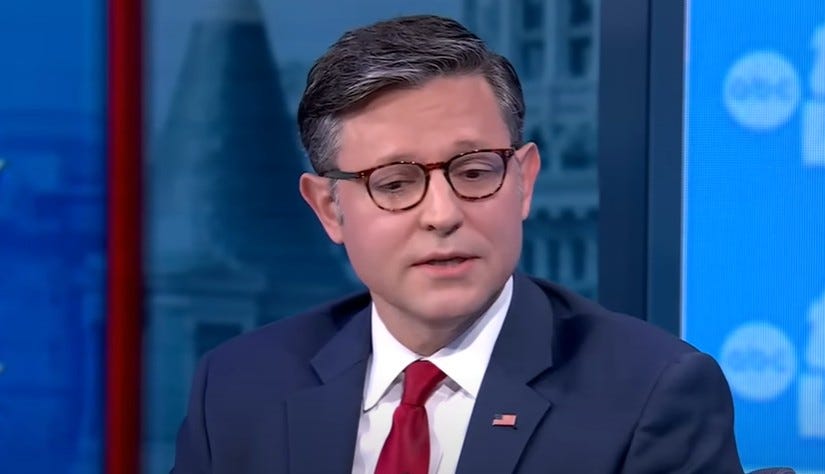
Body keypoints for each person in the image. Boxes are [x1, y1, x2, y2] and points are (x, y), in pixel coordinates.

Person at [172, 14, 743, 473]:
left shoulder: (651, 395)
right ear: (329, 208)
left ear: (523, 182)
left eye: (473, 172)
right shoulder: (239, 387)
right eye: (395, 184)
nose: (443, 215)